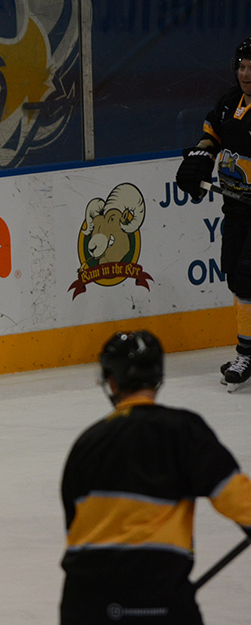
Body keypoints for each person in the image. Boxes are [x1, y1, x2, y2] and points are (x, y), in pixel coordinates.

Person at [58, 330, 251, 625]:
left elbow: (75, 530)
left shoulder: (86, 444)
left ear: (111, 382)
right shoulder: (182, 430)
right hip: (155, 600)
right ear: (158, 378)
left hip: (84, 605)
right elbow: (240, 502)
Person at [175, 37, 251, 390]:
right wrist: (201, 157)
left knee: (247, 276)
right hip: (236, 208)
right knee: (235, 275)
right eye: (242, 66)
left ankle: (245, 353)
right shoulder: (228, 103)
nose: (246, 74)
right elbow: (212, 136)